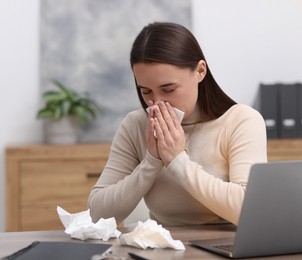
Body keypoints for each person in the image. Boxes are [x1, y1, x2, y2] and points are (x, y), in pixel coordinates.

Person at [88, 22, 267, 226]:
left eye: (169, 89)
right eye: (145, 91)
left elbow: (250, 210)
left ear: (200, 71)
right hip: (161, 248)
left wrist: (176, 160)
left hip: (227, 249)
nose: (157, 102)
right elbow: (96, 215)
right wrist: (152, 161)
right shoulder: (136, 125)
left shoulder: (241, 121)